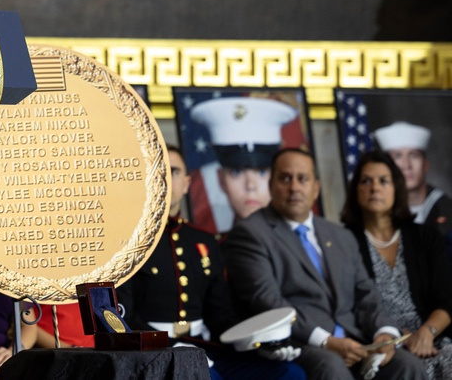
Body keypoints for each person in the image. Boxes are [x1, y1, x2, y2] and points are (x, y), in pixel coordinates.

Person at [224, 148, 426, 379]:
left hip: (356, 339)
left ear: (315, 188)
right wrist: (326, 341)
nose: (294, 187)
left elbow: (366, 295)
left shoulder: (340, 235)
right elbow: (268, 303)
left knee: (407, 365)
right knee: (330, 366)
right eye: (285, 178)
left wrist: (384, 333)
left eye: (303, 179)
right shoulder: (250, 234)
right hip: (299, 343)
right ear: (270, 185)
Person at [117, 147, 305, 380]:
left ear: (187, 183)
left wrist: (259, 343)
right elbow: (122, 316)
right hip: (152, 352)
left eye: (174, 171)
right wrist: (169, 347)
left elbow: (221, 315)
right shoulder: (127, 242)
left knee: (288, 373)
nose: (166, 177)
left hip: (205, 345)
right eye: (159, 170)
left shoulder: (203, 241)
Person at [341, 150, 452, 378]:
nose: (375, 188)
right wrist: (394, 334)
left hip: (432, 338)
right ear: (355, 191)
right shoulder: (344, 243)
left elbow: (447, 299)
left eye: (383, 181)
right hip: (380, 343)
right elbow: (347, 309)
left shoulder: (425, 237)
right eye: (366, 181)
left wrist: (426, 333)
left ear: (397, 188)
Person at [189, 96, 299, 233]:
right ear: (221, 180)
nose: (250, 186)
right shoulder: (211, 251)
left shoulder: (299, 246)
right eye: (237, 172)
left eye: (262, 172)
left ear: (277, 178)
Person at [373, 121, 452, 258]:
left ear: (426, 165)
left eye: (413, 155)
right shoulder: (374, 214)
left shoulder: (448, 209)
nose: (406, 165)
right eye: (397, 156)